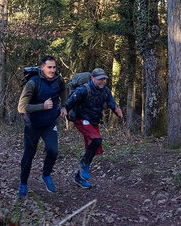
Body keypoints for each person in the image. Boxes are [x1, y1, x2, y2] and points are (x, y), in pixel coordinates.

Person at [17, 55, 67, 198]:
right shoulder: (33, 83)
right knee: (29, 155)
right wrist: (42, 106)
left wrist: (64, 106)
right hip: (32, 124)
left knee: (53, 150)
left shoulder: (59, 80)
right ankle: (23, 184)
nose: (52, 70)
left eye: (54, 67)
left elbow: (64, 90)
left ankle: (45, 175)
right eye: (49, 67)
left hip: (49, 122)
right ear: (42, 68)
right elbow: (21, 107)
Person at [64, 68, 123, 188]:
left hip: (93, 122)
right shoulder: (83, 89)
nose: (102, 81)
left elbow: (111, 102)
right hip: (81, 119)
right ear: (93, 78)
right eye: (100, 79)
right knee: (97, 140)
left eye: (104, 79)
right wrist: (64, 109)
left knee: (92, 148)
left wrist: (117, 110)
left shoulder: (105, 90)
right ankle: (84, 165)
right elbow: (70, 101)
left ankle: (79, 176)